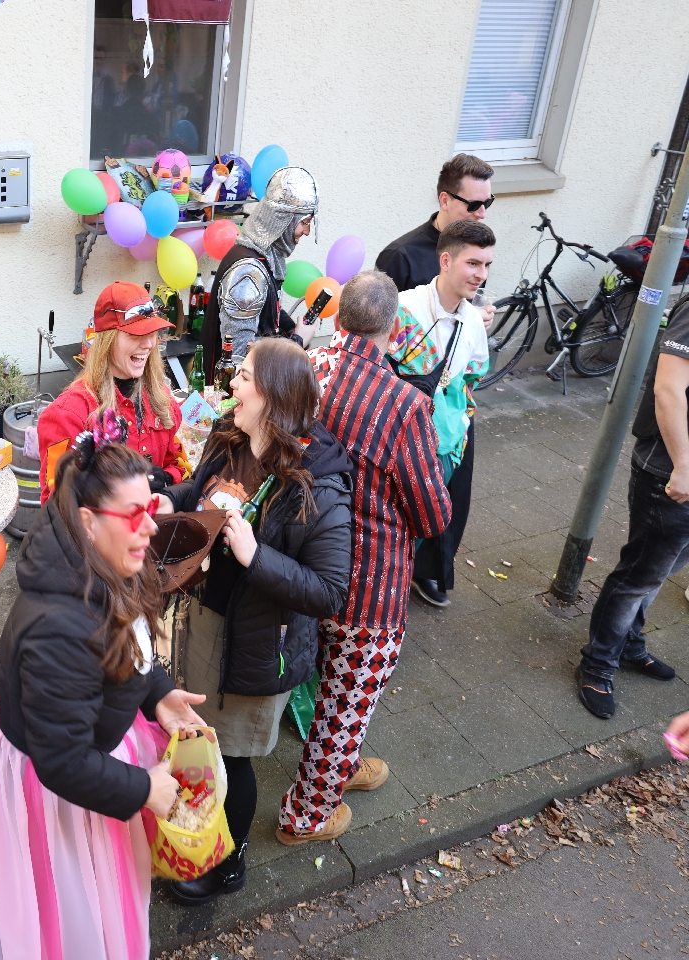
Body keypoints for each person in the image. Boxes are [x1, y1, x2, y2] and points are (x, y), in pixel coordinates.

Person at [0, 416, 210, 960]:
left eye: (152, 507)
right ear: (87, 521)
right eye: (135, 514)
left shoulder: (107, 556)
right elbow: (63, 762)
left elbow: (128, 642)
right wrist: (143, 789)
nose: (151, 527)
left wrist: (158, 693)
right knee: (66, 910)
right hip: (53, 778)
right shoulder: (60, 629)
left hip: (80, 738)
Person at [157, 339, 353, 903]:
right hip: (200, 619)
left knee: (232, 757)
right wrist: (172, 500)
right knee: (194, 741)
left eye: (243, 377)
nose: (232, 386)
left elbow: (329, 591)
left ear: (273, 394)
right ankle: (195, 842)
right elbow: (201, 491)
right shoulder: (231, 435)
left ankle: (229, 864)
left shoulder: (319, 484)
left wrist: (255, 555)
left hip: (256, 644)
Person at [282, 271, 452, 843]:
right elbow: (432, 513)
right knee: (346, 702)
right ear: (394, 327)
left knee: (322, 685)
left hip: (301, 561)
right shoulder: (405, 406)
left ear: (338, 316)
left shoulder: (306, 369)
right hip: (368, 582)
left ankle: (339, 767)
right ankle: (305, 816)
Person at [577, 299, 689, 717]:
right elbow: (668, 389)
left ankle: (627, 643)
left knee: (661, 571)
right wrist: (683, 466)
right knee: (639, 574)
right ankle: (597, 663)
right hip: (671, 475)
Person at [390, 220, 494, 608]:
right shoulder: (402, 309)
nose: (481, 275)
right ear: (446, 261)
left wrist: (457, 432)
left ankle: (407, 580)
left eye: (486, 265)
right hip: (397, 446)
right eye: (473, 263)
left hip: (443, 450)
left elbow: (470, 381)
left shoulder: (473, 322)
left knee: (425, 520)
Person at [37, 281, 190, 501]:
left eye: (153, 332)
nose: (149, 344)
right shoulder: (68, 414)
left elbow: (180, 465)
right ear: (107, 340)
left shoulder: (162, 399)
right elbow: (57, 503)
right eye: (136, 334)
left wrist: (165, 479)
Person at [201, 165, 320, 373]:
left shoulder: (263, 256)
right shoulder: (248, 272)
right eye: (305, 222)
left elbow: (265, 310)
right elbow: (239, 360)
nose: (307, 231)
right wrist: (297, 341)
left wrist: (290, 327)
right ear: (284, 220)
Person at [375, 153, 494, 294]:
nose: (482, 214)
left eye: (487, 203)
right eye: (474, 205)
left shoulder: (478, 247)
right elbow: (377, 308)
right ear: (444, 200)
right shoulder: (399, 256)